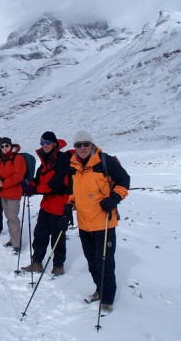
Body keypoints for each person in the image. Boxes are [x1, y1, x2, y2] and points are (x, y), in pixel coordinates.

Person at [68, 130, 130, 313]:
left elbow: (124, 181)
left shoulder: (105, 161)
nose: (82, 148)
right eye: (78, 145)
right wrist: (69, 203)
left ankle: (107, 299)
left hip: (104, 222)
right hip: (84, 223)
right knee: (92, 261)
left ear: (92, 144)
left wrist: (114, 198)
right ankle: (99, 289)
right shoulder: (73, 165)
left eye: (85, 144)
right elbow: (74, 190)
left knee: (104, 262)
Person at [20, 131, 72, 276]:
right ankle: (37, 263)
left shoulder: (62, 160)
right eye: (42, 143)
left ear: (54, 143)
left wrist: (35, 189)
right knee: (40, 234)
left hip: (60, 205)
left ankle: (58, 266)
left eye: (47, 142)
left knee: (58, 238)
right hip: (46, 205)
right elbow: (38, 179)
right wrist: (29, 184)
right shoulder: (44, 163)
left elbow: (56, 184)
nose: (45, 145)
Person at [0, 137, 26, 254]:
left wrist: (3, 183)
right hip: (3, 193)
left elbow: (18, 176)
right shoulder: (2, 159)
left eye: (6, 145)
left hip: (13, 193)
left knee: (13, 218)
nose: (4, 148)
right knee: (9, 218)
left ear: (11, 146)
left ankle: (17, 244)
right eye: (2, 146)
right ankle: (12, 240)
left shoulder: (18, 158)